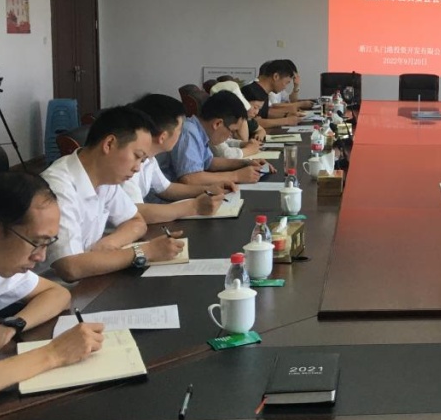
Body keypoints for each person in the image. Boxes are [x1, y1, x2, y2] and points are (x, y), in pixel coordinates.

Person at [0, 172, 105, 415]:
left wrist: (12, 325)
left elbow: (56, 294)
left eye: (48, 243)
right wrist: (53, 354)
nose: (41, 257)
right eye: (36, 242)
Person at [43, 106, 185, 281]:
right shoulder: (58, 187)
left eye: (142, 160)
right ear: (109, 144)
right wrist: (145, 251)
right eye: (137, 156)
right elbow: (70, 267)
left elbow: (136, 222)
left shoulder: (106, 179)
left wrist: (109, 244)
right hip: (54, 287)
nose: (137, 168)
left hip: (91, 279)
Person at [126, 94, 236, 223]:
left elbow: (166, 188)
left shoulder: (150, 159)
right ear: (163, 137)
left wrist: (208, 189)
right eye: (179, 129)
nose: (182, 132)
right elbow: (135, 213)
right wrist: (194, 206)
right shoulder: (128, 163)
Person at [165, 91, 271, 186]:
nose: (230, 136)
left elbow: (209, 162)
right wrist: (236, 176)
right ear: (217, 124)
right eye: (232, 131)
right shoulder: (189, 132)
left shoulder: (199, 131)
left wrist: (245, 163)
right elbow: (189, 178)